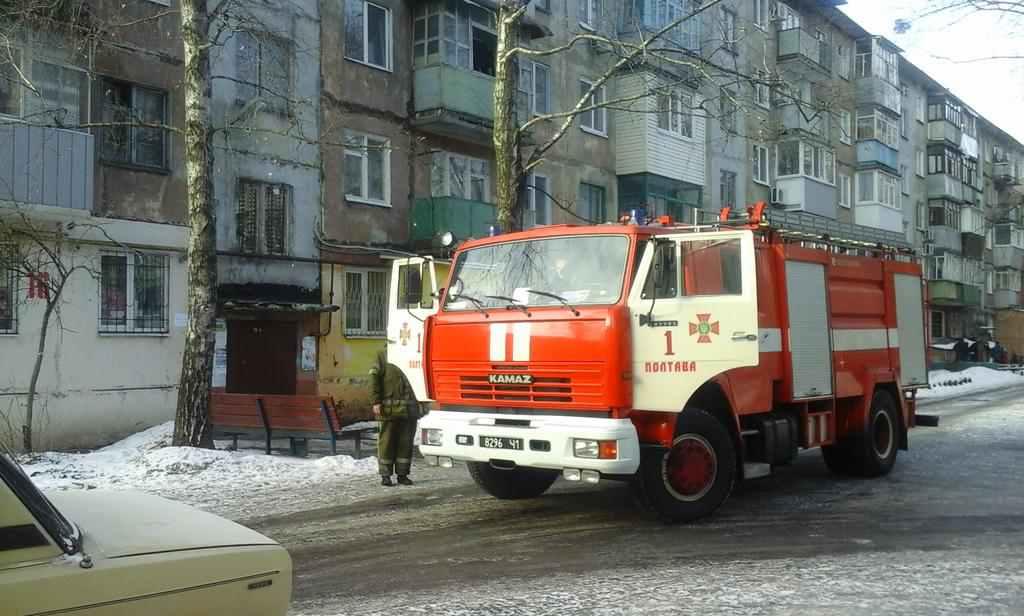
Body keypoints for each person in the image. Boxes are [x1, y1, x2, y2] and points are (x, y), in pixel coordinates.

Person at [370, 351, 419, 487]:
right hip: (388, 410)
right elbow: (373, 378)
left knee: (405, 443)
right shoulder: (383, 355)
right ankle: (385, 476)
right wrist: (375, 401)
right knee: (386, 443)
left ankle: (402, 475)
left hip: (409, 410)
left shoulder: (414, 352)